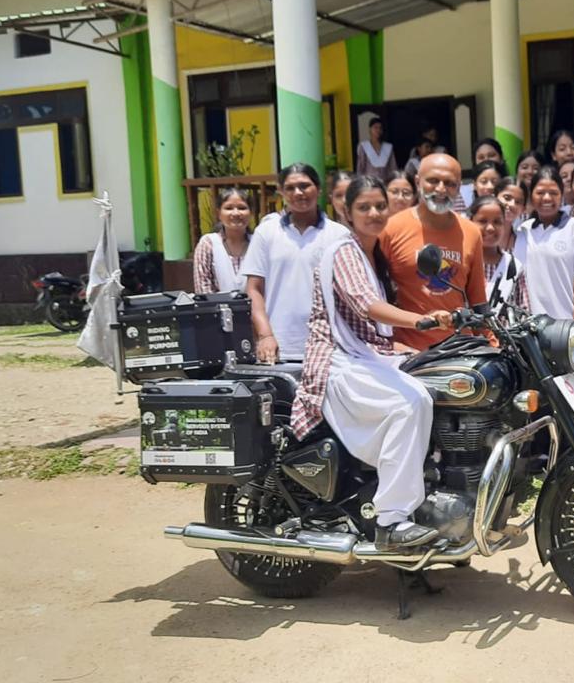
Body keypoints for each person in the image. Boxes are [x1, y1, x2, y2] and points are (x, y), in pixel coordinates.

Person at [289, 175, 453, 551]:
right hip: (337, 363)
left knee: (434, 380)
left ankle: (429, 497)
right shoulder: (343, 250)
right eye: (364, 207)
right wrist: (419, 320)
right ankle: (392, 521)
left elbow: (367, 325)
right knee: (410, 402)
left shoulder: (371, 253)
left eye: (380, 205)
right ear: (345, 211)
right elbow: (365, 304)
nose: (375, 213)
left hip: (364, 355)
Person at [380, 153, 488, 351]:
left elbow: (478, 299)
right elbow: (376, 295)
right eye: (433, 181)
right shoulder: (391, 229)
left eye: (450, 183)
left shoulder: (471, 232)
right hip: (409, 352)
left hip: (459, 349)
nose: (441, 189)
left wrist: (492, 345)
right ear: (417, 181)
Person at [245, 163, 352, 362]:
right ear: (281, 193)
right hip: (278, 348)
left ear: (318, 189)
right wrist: (265, 335)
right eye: (290, 188)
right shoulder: (266, 232)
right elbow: (254, 289)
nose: (298, 192)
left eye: (305, 186)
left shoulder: (339, 235)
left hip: (329, 348)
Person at [514, 166, 574, 319]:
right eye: (540, 192)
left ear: (562, 195)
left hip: (566, 322)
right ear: (531, 196)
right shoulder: (523, 231)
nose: (546, 198)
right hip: (529, 325)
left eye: (553, 193)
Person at [193, 188, 252, 294]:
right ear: (218, 213)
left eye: (242, 208)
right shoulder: (208, 244)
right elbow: (203, 290)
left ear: (251, 212)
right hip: (217, 309)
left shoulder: (258, 243)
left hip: (255, 309)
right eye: (229, 208)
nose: (236, 213)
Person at [469, 196, 523, 309]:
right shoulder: (463, 264)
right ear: (470, 223)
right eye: (483, 221)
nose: (490, 228)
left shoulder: (513, 267)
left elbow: (522, 309)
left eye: (497, 222)